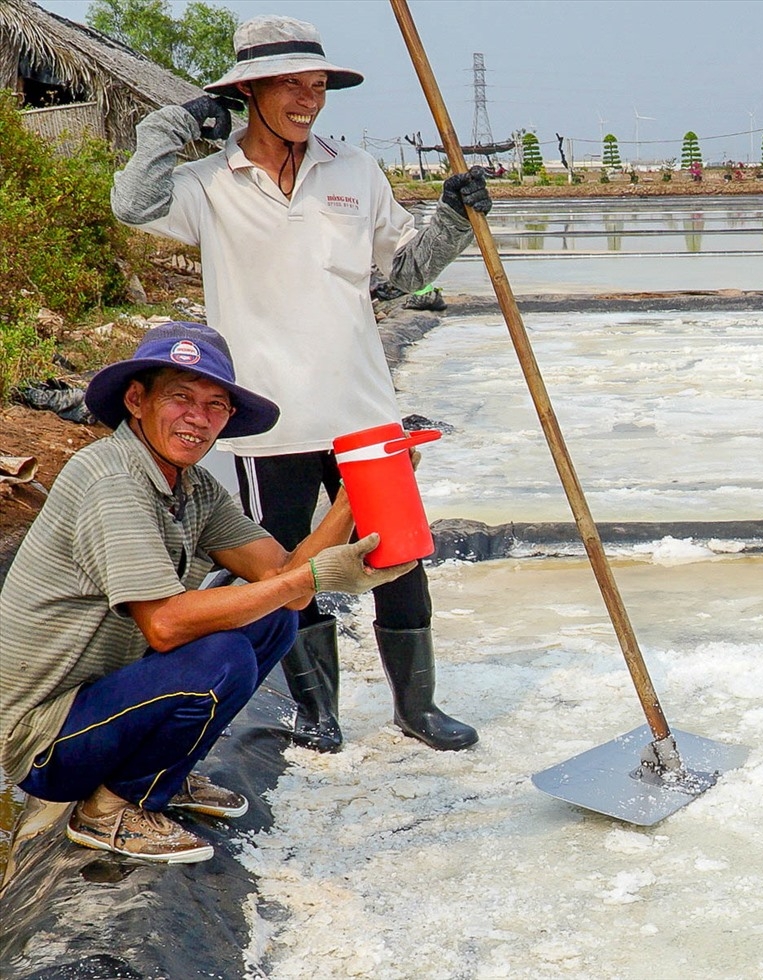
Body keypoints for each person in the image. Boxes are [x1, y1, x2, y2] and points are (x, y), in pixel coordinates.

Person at [111, 15, 489, 753]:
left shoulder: (355, 171)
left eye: (317, 85)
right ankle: (318, 711)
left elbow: (405, 271)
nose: (309, 99)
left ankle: (419, 711)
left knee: (400, 560)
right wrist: (178, 121)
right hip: (265, 420)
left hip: (364, 410)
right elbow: (132, 203)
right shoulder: (208, 184)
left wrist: (454, 217)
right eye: (291, 83)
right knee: (288, 569)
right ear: (248, 91)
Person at [0, 323, 413, 864]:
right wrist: (310, 580)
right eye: (180, 398)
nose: (199, 417)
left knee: (272, 621)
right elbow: (166, 626)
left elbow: (283, 580)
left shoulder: (193, 487)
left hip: (102, 704)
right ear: (136, 400)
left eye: (215, 405)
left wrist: (357, 494)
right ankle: (110, 809)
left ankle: (163, 776)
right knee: (221, 657)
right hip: (46, 742)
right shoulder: (111, 477)